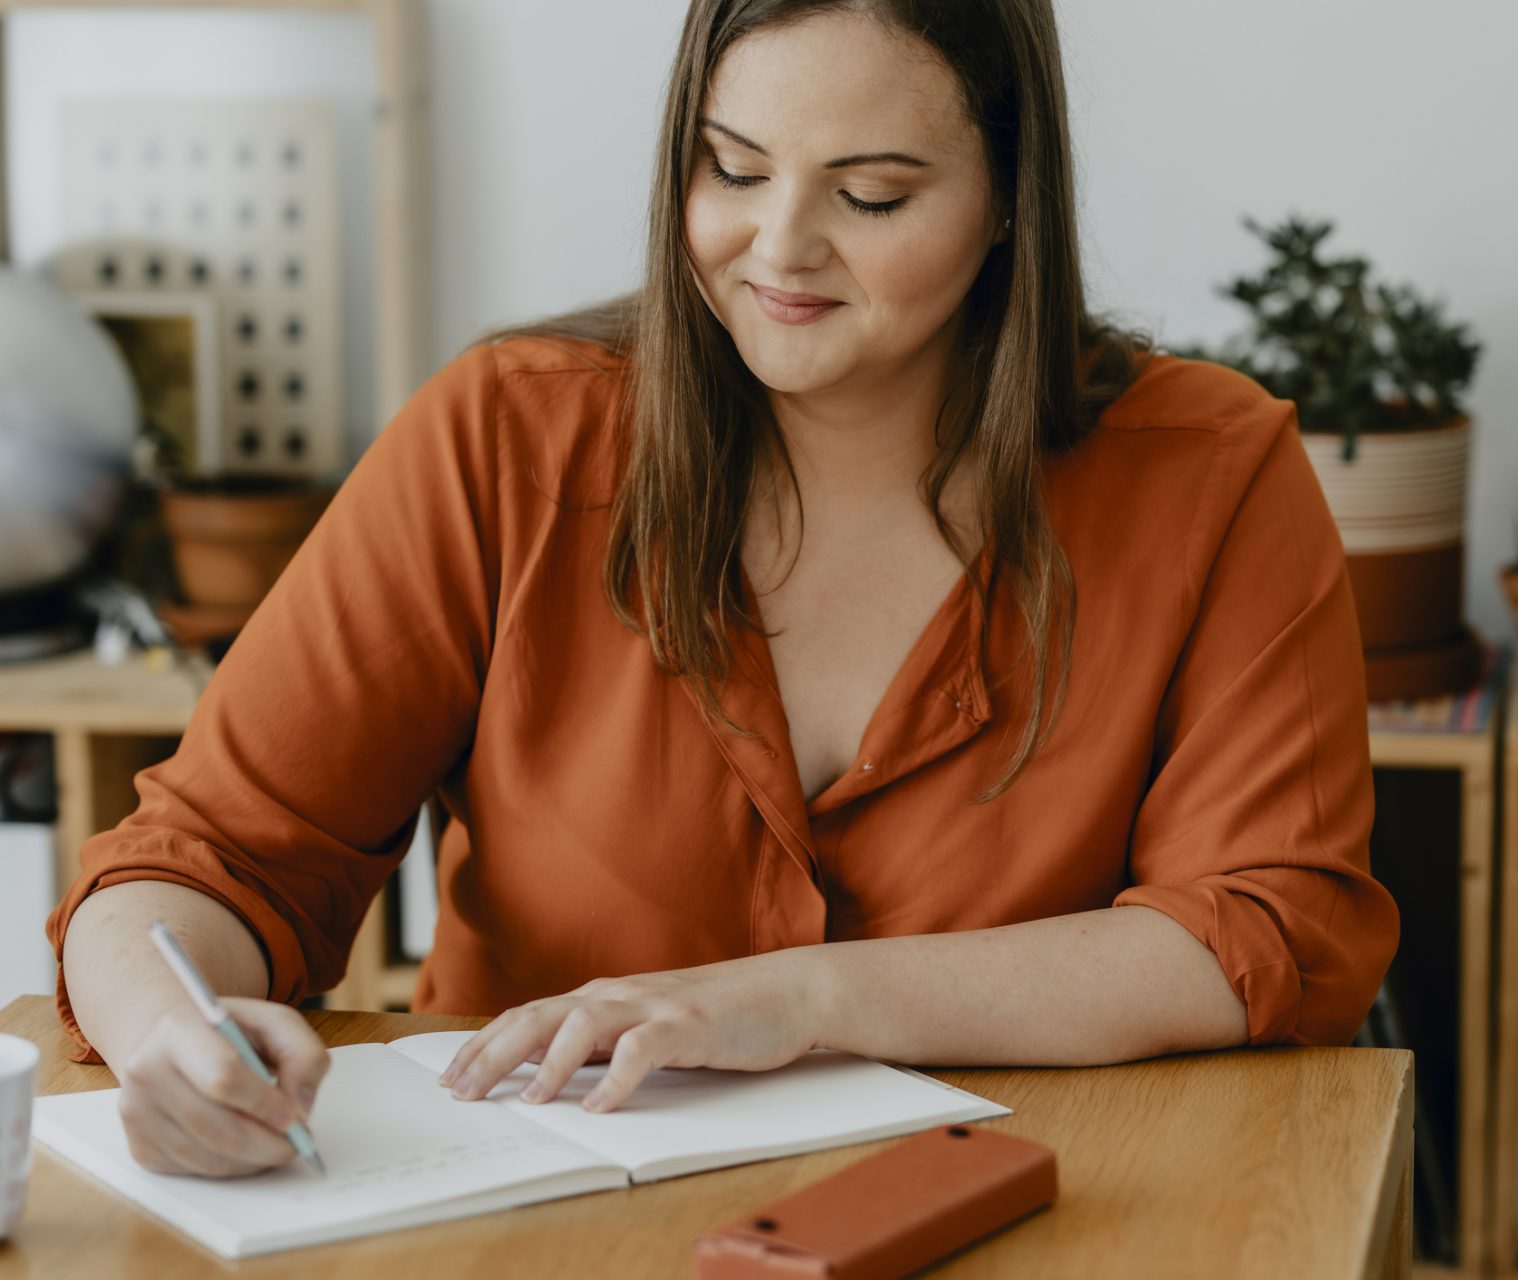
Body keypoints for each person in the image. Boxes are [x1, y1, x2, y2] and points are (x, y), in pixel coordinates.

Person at [49, 0, 1399, 1179]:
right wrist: (175, 1037)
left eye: (871, 196)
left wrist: (798, 998)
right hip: (538, 1215)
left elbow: (1266, 925)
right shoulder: (506, 440)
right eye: (731, 168)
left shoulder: (1209, 473)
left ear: (1008, 199)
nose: (779, 247)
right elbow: (205, 859)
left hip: (1030, 1209)